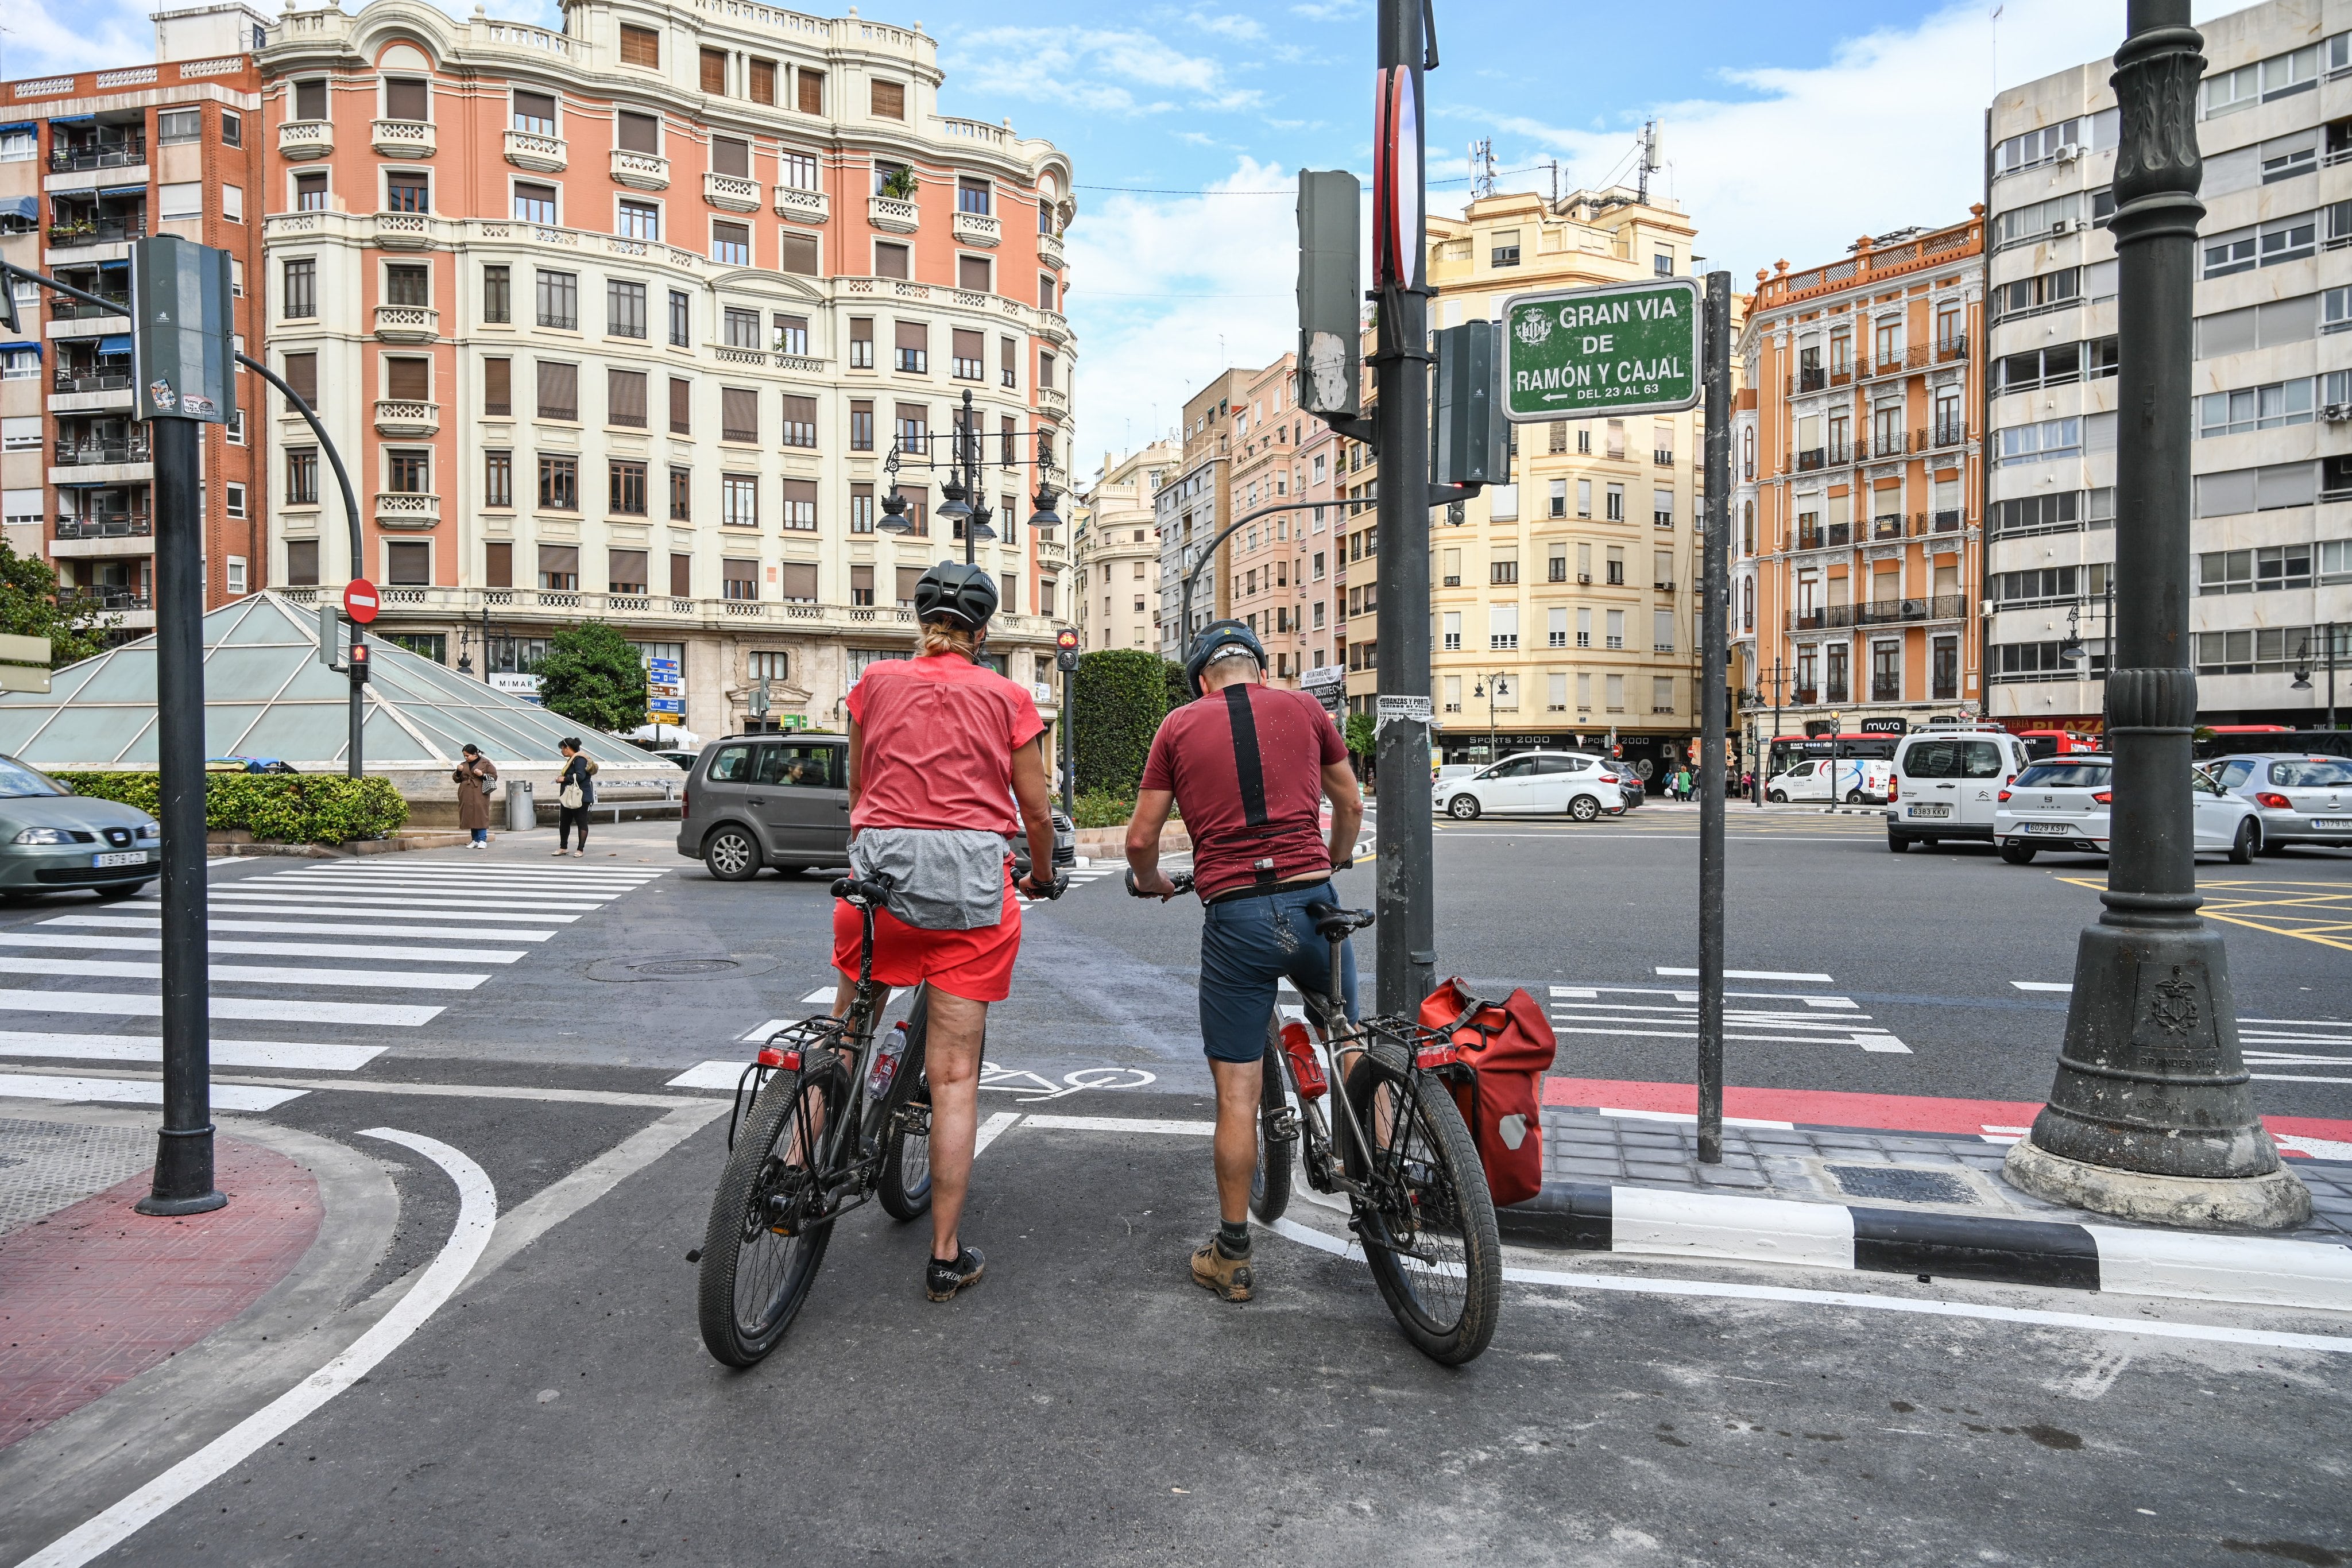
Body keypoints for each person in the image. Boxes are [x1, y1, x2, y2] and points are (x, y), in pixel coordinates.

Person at [838, 561, 1061, 1303]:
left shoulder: (873, 685)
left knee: (845, 1034)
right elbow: (1034, 811)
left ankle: (796, 1161)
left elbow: (861, 785)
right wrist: (1042, 870)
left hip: (880, 882)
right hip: (970, 895)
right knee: (956, 1076)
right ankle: (943, 1254)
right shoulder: (1007, 696)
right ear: (983, 633)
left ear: (919, 620)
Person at [1127, 620, 1363, 1305]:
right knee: (1349, 1037)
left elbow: (1141, 838)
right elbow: (1348, 802)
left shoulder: (1177, 727)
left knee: (1237, 1094)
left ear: (1203, 679)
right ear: (1258, 670)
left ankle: (1231, 1255)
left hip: (1236, 917)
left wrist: (1149, 880)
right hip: (1314, 904)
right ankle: (1384, 1168)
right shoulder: (1306, 708)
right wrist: (1337, 856)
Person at [554, 738, 595, 857]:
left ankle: (580, 849)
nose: (562, 751)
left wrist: (565, 779)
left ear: (568, 748)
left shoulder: (580, 760)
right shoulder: (573, 760)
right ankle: (563, 847)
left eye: (562, 748)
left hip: (580, 796)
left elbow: (581, 776)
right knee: (564, 822)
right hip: (569, 796)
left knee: (581, 822)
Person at [453, 744, 497, 848]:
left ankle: (482, 840)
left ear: (475, 754)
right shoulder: (463, 765)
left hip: (480, 792)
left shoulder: (486, 763)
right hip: (466, 792)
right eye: (464, 756)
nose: (466, 758)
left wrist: (482, 775)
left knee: (480, 814)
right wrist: (459, 772)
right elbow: (456, 779)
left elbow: (494, 776)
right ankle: (475, 840)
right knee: (469, 815)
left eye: (468, 755)